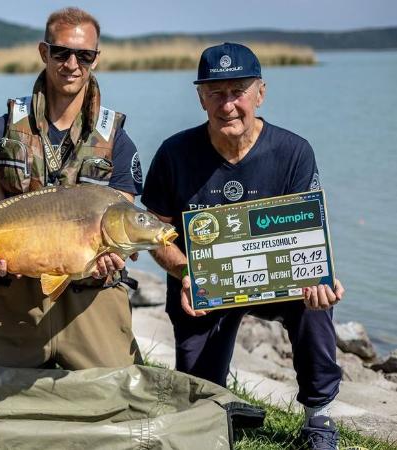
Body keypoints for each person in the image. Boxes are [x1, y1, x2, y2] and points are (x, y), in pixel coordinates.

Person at [142, 42, 346, 449]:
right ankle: (219, 410)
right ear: (200, 97)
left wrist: (320, 277)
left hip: (276, 283)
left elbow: (308, 233)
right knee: (200, 404)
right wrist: (185, 273)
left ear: (260, 93)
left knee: (314, 305)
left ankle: (318, 418)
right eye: (216, 93)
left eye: (238, 91)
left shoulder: (293, 152)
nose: (228, 105)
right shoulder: (174, 153)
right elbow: (153, 233)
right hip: (205, 287)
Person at [0, 7, 144, 369]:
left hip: (91, 296)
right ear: (44, 52)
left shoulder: (117, 142)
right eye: (61, 52)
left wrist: (115, 257)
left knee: (118, 398)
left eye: (84, 55)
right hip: (16, 295)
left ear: (96, 59)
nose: (72, 64)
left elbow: (123, 226)